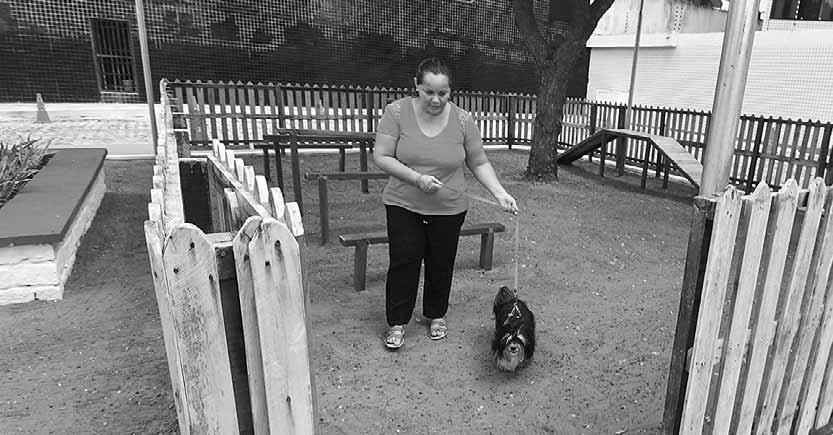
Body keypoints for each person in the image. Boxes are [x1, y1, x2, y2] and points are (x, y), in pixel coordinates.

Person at [372, 58, 519, 350]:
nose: (436, 99)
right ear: (416, 86)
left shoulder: (463, 120)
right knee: (405, 260)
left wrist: (499, 193)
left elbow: (478, 161)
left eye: (443, 93)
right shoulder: (396, 112)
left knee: (441, 262)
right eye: (429, 92)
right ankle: (397, 322)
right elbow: (382, 155)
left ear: (451, 91)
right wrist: (417, 179)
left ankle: (436, 314)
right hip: (404, 204)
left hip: (449, 208)